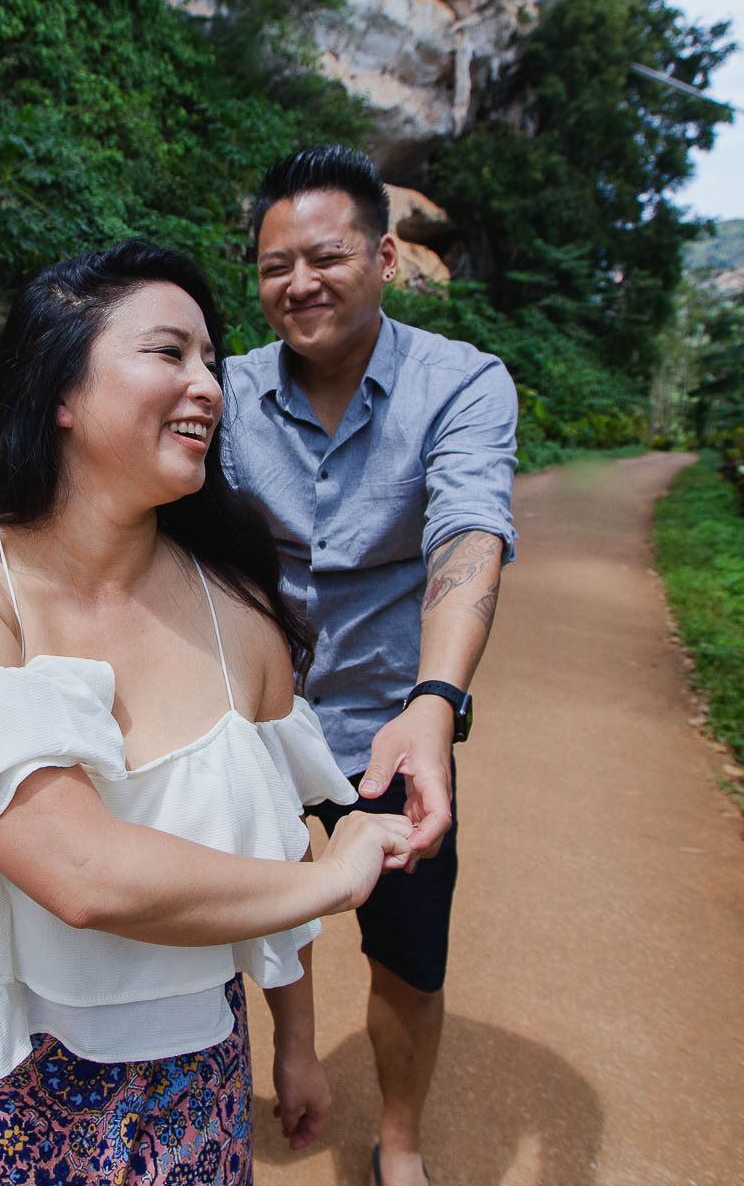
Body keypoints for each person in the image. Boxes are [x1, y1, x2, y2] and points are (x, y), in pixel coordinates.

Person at [0, 240, 422, 1185]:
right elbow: (78, 870)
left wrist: (295, 1042)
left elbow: (278, 845)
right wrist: (342, 879)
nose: (208, 384)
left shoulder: (241, 618)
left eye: (212, 359)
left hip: (189, 1091)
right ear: (60, 390)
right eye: (169, 352)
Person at [220, 146, 519, 1186]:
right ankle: (296, 1051)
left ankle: (398, 1138)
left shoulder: (461, 384)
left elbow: (468, 531)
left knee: (405, 950)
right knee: (270, 898)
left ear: (385, 258)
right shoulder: (224, 394)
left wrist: (435, 701)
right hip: (261, 716)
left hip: (393, 725)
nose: (298, 283)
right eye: (274, 266)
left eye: (325, 257)